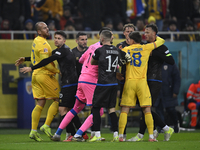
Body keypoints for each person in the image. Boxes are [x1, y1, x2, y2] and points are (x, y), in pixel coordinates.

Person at [18, 30, 89, 142]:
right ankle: (82, 134)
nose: (56, 40)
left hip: (69, 83)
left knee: (62, 110)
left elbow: (47, 60)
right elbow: (44, 57)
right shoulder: (60, 51)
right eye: (55, 37)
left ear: (64, 41)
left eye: (59, 38)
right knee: (71, 110)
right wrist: (26, 59)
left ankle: (72, 135)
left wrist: (31, 68)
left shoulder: (64, 50)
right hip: (71, 83)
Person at [50, 27, 112, 142]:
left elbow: (81, 60)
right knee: (99, 111)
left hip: (81, 79)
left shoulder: (91, 47)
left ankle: (58, 133)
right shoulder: (104, 50)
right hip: (90, 81)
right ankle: (78, 134)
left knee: (75, 109)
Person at [128, 24, 175, 142]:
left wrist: (155, 53)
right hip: (143, 80)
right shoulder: (144, 46)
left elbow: (171, 61)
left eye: (148, 32)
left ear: (154, 34)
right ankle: (161, 129)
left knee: (146, 108)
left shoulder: (162, 48)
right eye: (145, 32)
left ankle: (142, 135)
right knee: (144, 108)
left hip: (154, 80)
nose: (145, 34)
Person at [15, 22, 60, 142]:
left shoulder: (36, 40)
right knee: (58, 99)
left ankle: (33, 131)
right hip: (44, 75)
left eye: (47, 27)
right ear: (39, 31)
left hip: (35, 76)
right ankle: (46, 126)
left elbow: (37, 58)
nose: (47, 29)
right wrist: (58, 71)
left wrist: (25, 59)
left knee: (40, 102)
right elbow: (45, 62)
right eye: (44, 28)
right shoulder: (43, 43)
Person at [118, 31, 165, 142]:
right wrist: (153, 35)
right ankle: (151, 137)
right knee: (147, 110)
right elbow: (161, 41)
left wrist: (120, 49)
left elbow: (119, 59)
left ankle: (120, 136)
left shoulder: (126, 49)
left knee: (124, 109)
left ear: (132, 40)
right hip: (142, 83)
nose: (127, 41)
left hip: (130, 81)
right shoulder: (146, 48)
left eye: (129, 39)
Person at [89, 30, 120, 142]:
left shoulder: (99, 50)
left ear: (101, 39)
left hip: (103, 83)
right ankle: (116, 135)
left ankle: (97, 134)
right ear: (110, 38)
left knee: (96, 108)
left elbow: (93, 62)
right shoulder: (117, 50)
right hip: (114, 83)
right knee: (111, 109)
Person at [116, 23, 136, 140]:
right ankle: (122, 133)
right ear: (124, 33)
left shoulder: (139, 45)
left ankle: (148, 132)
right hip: (124, 80)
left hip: (139, 80)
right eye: (127, 31)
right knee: (124, 108)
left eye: (131, 31)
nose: (129, 33)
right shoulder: (120, 46)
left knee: (145, 107)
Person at [154, 62, 181, 133]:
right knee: (159, 111)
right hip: (158, 92)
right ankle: (161, 128)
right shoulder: (154, 63)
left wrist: (175, 91)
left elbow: (177, 78)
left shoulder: (170, 64)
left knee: (171, 110)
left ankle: (176, 123)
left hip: (169, 91)